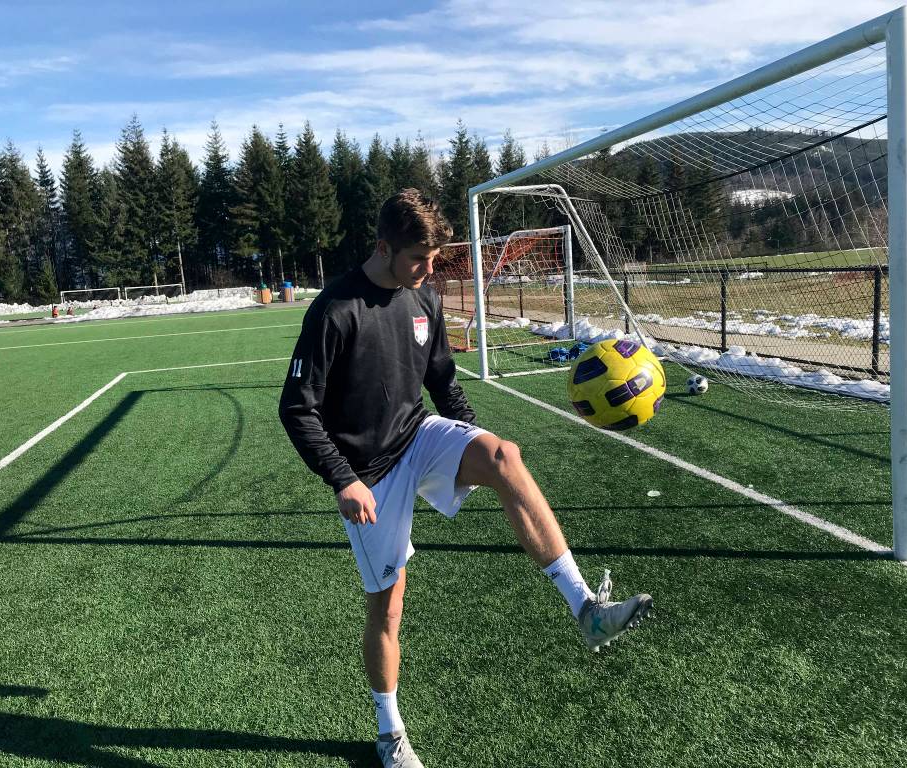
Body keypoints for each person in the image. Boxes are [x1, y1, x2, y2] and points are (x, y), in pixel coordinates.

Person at [279, 189, 653, 768]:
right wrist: (343, 481)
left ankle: (585, 609)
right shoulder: (335, 310)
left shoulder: (422, 295)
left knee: (506, 456)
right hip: (368, 474)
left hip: (418, 435)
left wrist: (472, 442)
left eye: (434, 260)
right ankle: (389, 731)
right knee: (389, 604)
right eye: (418, 260)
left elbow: (443, 382)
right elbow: (296, 408)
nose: (429, 271)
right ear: (383, 248)